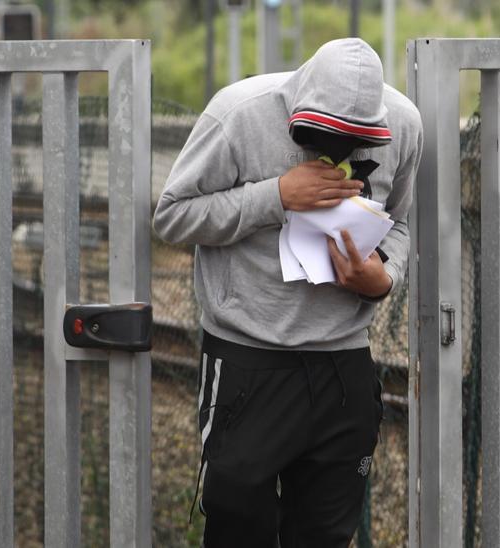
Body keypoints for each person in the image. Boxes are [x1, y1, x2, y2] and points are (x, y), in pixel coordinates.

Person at [153, 37, 422, 547]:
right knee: (237, 528)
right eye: (320, 139)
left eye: (354, 144)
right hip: (247, 363)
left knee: (324, 535)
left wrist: (382, 276)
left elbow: (400, 222)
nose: (337, 153)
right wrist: (276, 195)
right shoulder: (239, 113)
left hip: (343, 369)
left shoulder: (405, 124)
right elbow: (171, 215)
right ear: (298, 108)